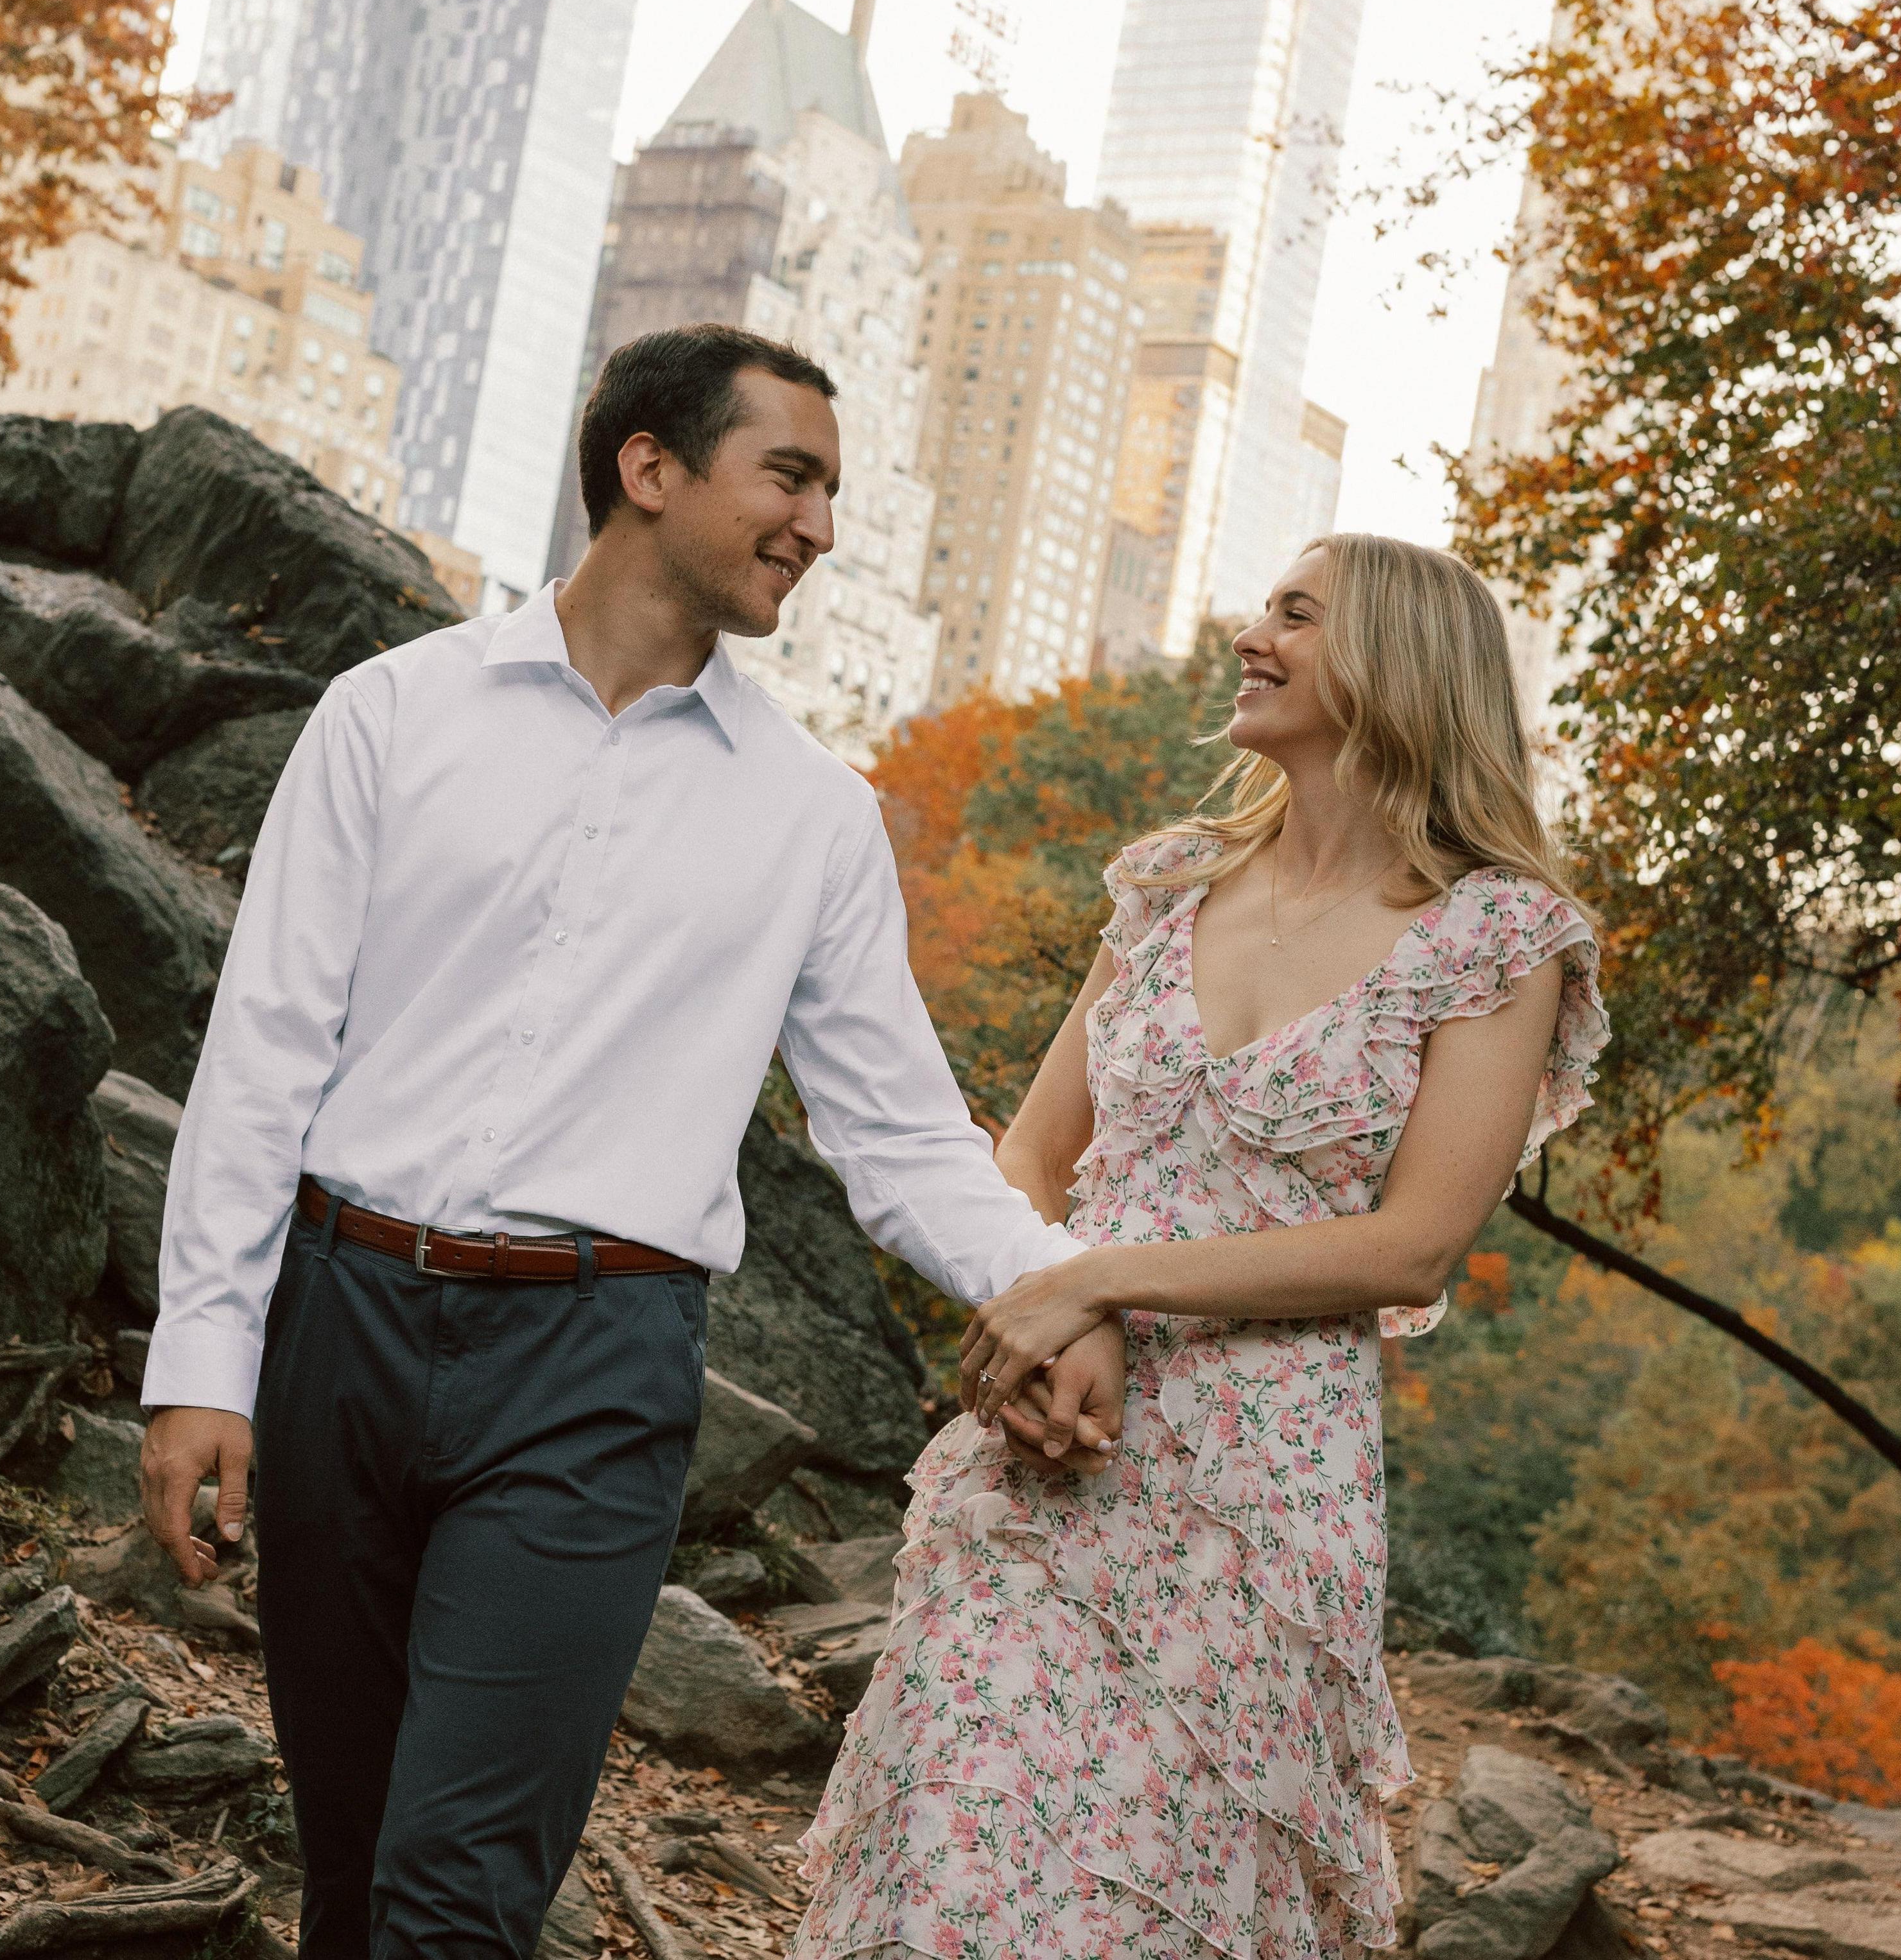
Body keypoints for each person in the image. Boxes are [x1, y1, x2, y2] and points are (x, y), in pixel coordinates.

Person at [139, 322, 1129, 1960]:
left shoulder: (812, 815)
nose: (820, 526)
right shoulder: (390, 714)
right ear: (648, 466)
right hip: (340, 1327)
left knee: (457, 1891)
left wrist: (1058, 1287)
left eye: (830, 490)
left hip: (591, 1370)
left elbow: (897, 1136)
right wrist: (202, 1362)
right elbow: (264, 1055)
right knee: (352, 1870)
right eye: (789, 476)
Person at [794, 532, 1608, 1960]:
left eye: (1295, 615)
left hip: (1260, 1491)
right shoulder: (1173, 882)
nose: (1251, 634)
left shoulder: (1497, 935)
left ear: (1396, 664)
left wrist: (1097, 1280)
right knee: (956, 1851)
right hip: (1050, 1441)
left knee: (1155, 1896)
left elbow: (1411, 1246)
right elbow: (1032, 1150)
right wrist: (1048, 1318)